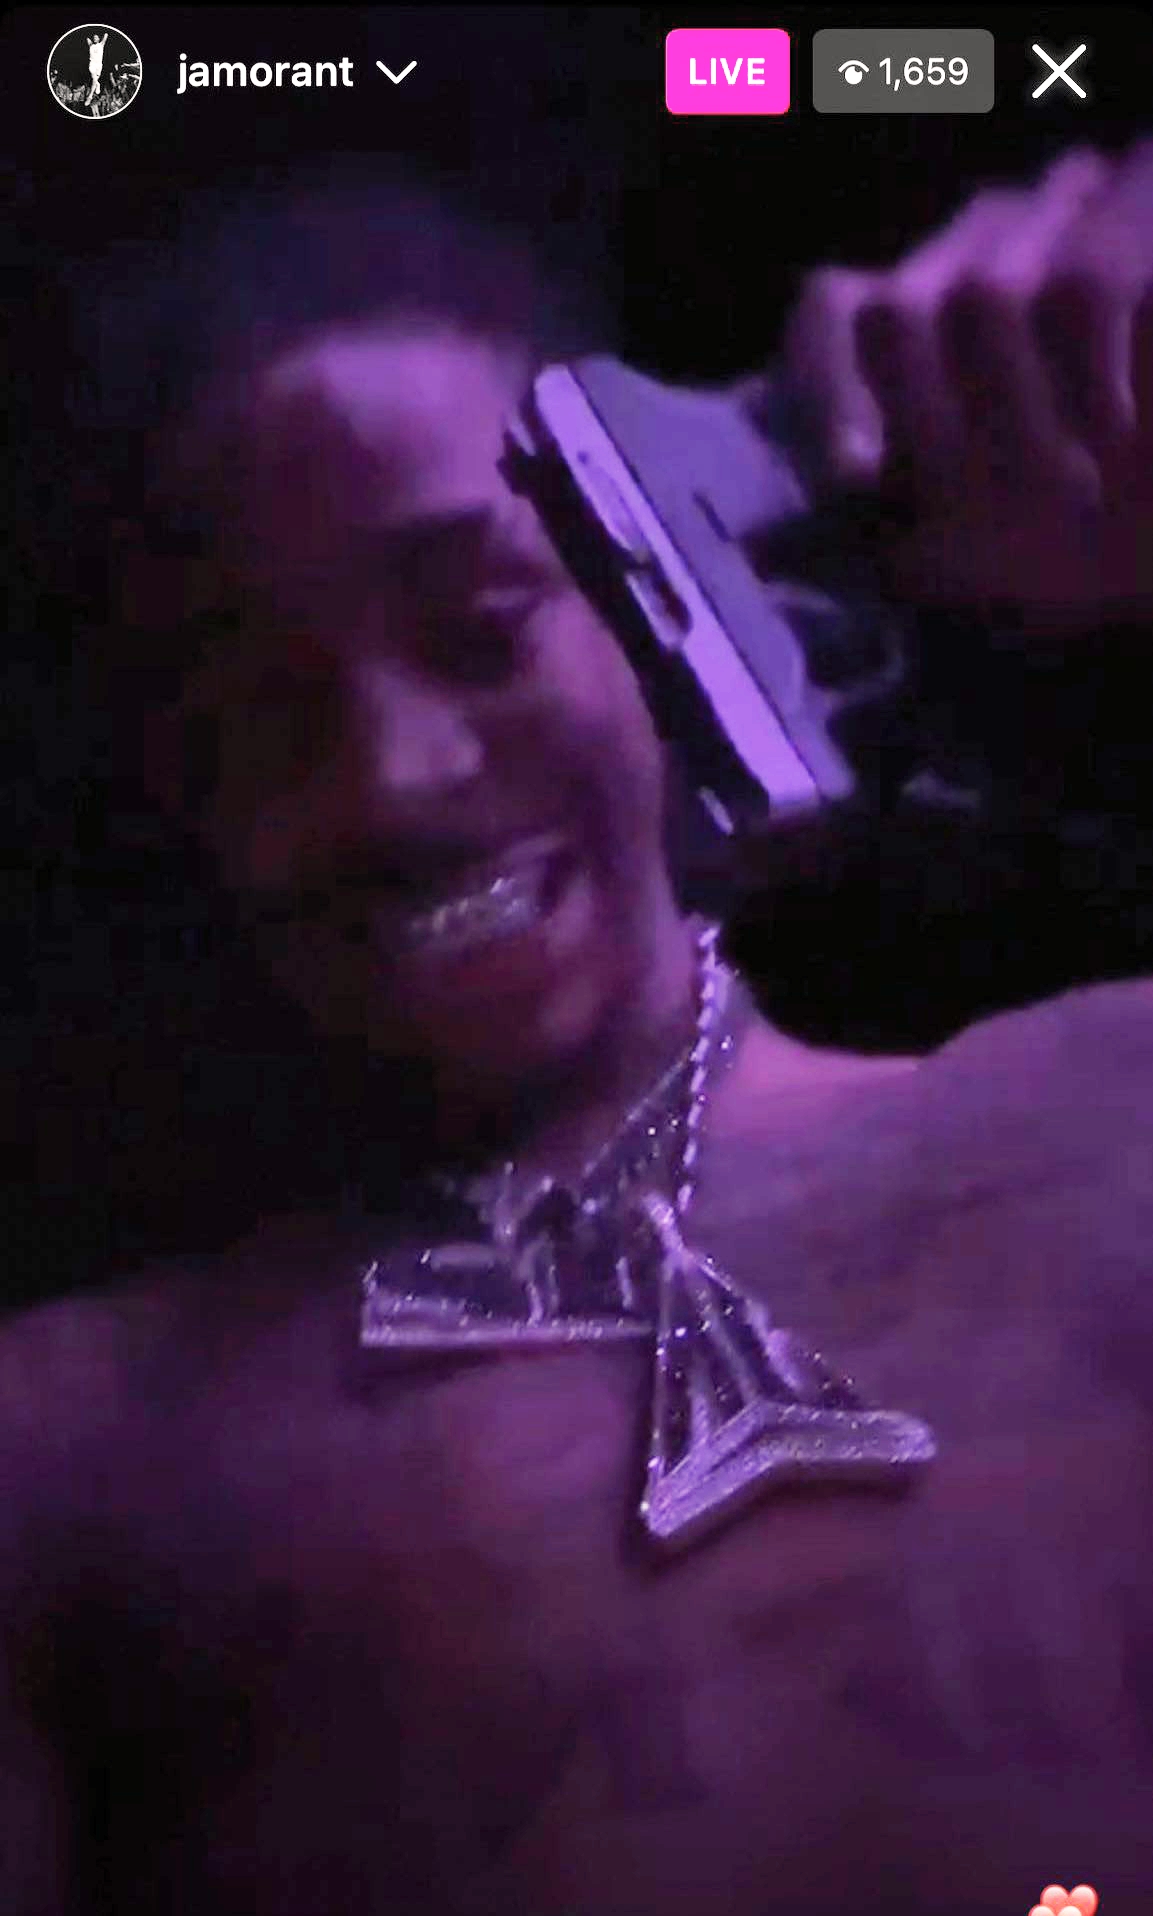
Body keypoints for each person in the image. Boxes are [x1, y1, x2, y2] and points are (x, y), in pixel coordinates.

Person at [3, 146, 1153, 1916]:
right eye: (260, 715)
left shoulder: (1111, 1106)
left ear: (658, 608)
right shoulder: (81, 1447)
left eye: (477, 628)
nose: (391, 780)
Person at [84, 30, 107, 108]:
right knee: (93, 75)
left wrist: (104, 34)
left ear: (99, 39)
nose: (95, 38)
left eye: (96, 37)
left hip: (99, 65)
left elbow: (106, 35)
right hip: (92, 64)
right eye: (94, 37)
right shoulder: (91, 45)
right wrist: (89, 37)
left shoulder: (101, 44)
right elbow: (87, 38)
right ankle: (90, 96)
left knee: (94, 80)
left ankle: (97, 85)